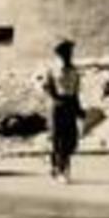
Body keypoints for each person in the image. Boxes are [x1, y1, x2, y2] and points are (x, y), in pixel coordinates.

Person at [42, 38, 83, 183]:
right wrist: (55, 98)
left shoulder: (75, 71)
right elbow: (47, 87)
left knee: (70, 139)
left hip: (70, 104)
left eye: (70, 52)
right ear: (60, 53)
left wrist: (79, 109)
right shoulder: (52, 70)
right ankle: (60, 169)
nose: (69, 54)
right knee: (57, 139)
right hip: (58, 106)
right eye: (66, 52)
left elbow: (76, 92)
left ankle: (62, 167)